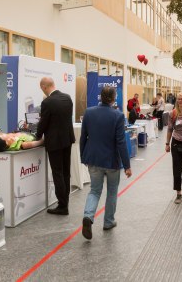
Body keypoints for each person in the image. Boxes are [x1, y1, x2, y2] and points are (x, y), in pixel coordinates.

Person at [80, 86, 132, 240]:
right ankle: (108, 221)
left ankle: (88, 216)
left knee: (94, 190)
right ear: (114, 98)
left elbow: (84, 137)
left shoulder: (89, 112)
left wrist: (83, 156)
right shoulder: (118, 115)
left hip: (93, 159)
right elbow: (121, 143)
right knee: (111, 191)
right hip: (111, 161)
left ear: (100, 97)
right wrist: (127, 165)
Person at [36, 77, 75, 215]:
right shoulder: (68, 98)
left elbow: (43, 123)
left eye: (42, 89)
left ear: (45, 87)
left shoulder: (47, 102)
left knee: (57, 173)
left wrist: (37, 135)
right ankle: (66, 202)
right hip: (67, 140)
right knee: (65, 172)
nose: (43, 91)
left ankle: (62, 206)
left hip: (55, 143)